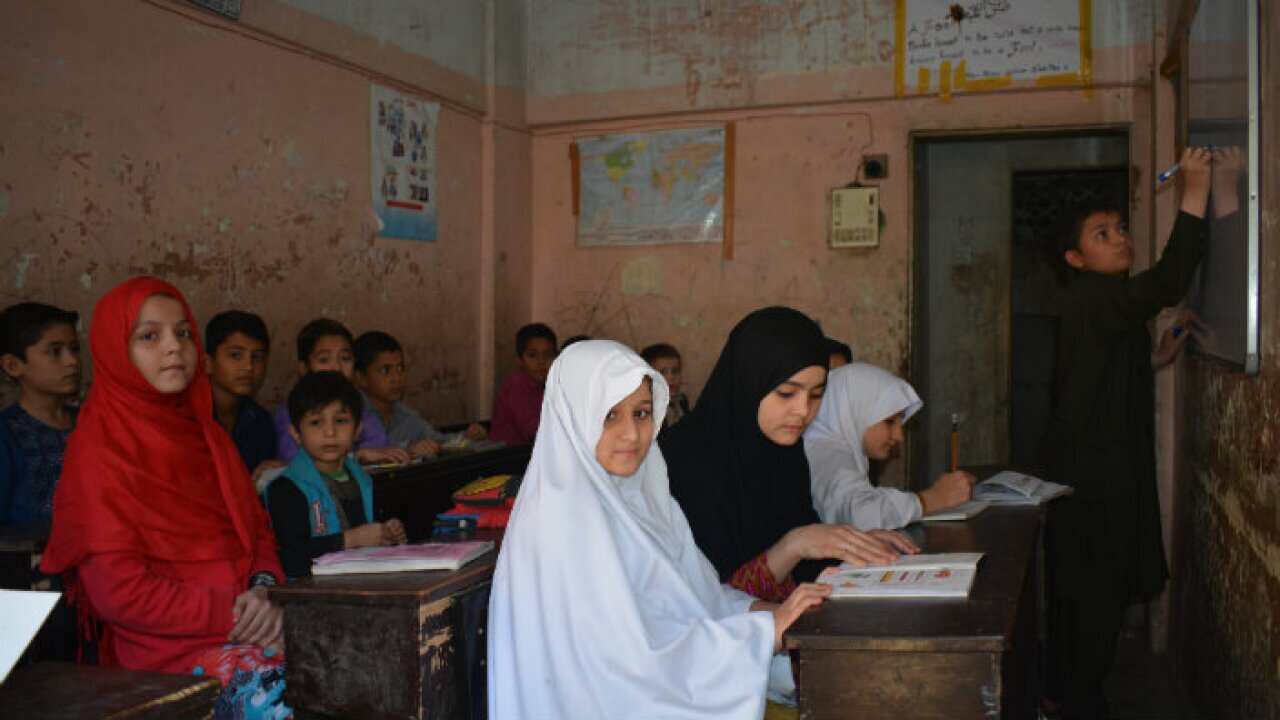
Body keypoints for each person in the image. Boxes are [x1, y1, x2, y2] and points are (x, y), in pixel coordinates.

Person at [488, 340, 831, 719]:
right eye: (609, 416)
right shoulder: (558, 526)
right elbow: (624, 669)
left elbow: (698, 598)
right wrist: (763, 634)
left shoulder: (646, 501)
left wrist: (777, 615)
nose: (632, 434)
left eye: (642, 413)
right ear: (574, 418)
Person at [1044, 146, 1238, 719]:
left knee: (1089, 592)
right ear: (1076, 258)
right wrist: (1196, 191)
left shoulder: (1100, 304)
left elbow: (1101, 375)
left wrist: (1157, 357)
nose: (1121, 238)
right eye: (1103, 234)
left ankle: (1068, 693)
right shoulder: (1095, 297)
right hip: (1091, 474)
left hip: (1094, 468)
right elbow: (1170, 280)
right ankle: (1075, 700)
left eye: (1120, 228)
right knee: (1093, 595)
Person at [40, 277, 290, 719]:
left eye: (183, 333)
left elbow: (258, 534)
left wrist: (265, 590)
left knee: (362, 671)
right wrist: (235, 615)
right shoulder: (100, 451)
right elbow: (121, 594)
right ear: (116, 350)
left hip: (255, 625)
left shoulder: (208, 436)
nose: (173, 347)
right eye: (149, 336)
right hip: (165, 656)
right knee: (286, 699)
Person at [661, 307, 915, 603]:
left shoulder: (785, 452)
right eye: (786, 393)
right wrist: (794, 545)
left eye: (816, 394)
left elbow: (805, 554)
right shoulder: (685, 462)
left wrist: (850, 546)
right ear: (749, 381)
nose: (803, 410)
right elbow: (710, 605)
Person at [266, 371, 407, 579]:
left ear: (358, 430)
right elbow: (290, 558)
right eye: (316, 422)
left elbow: (369, 536)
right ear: (296, 433)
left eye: (340, 421)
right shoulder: (287, 488)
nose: (330, 432)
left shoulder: (363, 479)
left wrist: (388, 533)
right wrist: (350, 540)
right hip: (309, 597)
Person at [804, 362, 975, 529]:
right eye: (890, 421)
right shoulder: (828, 453)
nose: (899, 436)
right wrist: (930, 500)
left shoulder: (832, 445)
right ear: (857, 412)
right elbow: (862, 515)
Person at [272, 318, 407, 466]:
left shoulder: (362, 411)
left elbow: (379, 450)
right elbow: (295, 463)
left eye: (345, 358)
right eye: (324, 360)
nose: (336, 367)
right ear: (304, 368)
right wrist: (358, 457)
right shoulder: (289, 415)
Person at [0, 302, 81, 526]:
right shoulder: (7, 436)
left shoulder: (92, 423)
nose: (72, 361)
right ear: (13, 365)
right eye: (55, 351)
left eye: (74, 349)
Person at [352, 331, 485, 458]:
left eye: (400, 368)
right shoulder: (351, 413)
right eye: (385, 370)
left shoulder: (407, 416)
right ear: (360, 378)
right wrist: (407, 451)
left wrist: (467, 437)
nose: (397, 378)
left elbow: (438, 442)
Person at [205, 310, 280, 482]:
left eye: (257, 357)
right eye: (235, 355)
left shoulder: (260, 422)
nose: (248, 366)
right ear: (207, 363)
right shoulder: (189, 418)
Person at [489, 322, 556, 445]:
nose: (541, 362)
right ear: (519, 360)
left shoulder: (550, 384)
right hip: (508, 456)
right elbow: (533, 430)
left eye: (548, 355)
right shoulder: (517, 385)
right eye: (532, 355)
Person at [640, 342, 691, 428]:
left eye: (675, 371)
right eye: (662, 372)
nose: (671, 377)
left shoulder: (681, 401)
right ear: (648, 378)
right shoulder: (648, 410)